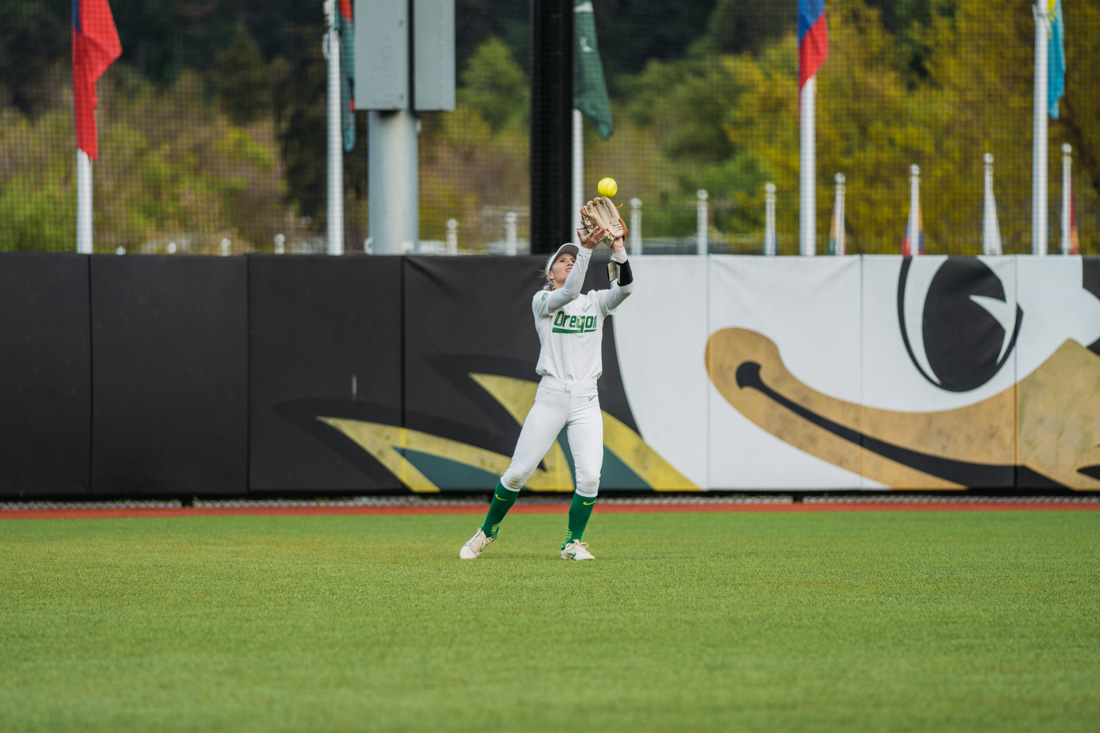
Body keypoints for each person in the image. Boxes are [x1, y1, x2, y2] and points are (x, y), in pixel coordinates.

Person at [460, 225, 634, 560]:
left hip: (586, 399)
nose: (569, 262)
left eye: (573, 258)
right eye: (563, 259)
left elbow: (625, 288)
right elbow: (568, 293)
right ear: (549, 272)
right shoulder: (543, 301)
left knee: (589, 479)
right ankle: (486, 531)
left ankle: (572, 543)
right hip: (551, 397)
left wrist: (618, 248)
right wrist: (584, 250)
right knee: (517, 474)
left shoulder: (595, 303)